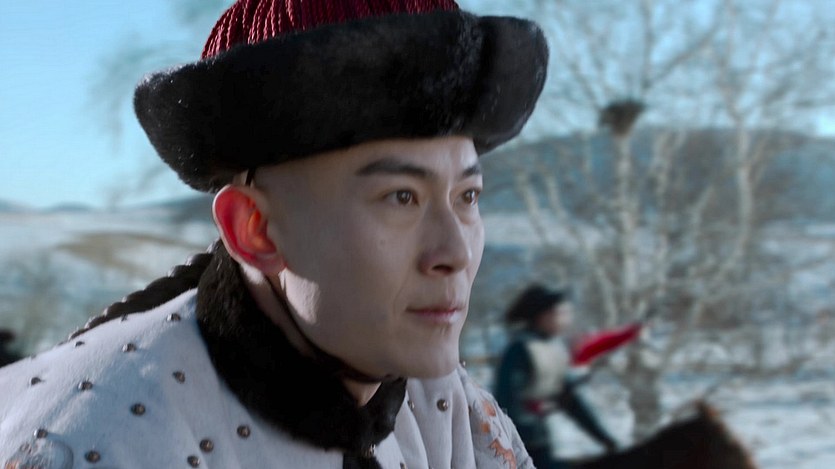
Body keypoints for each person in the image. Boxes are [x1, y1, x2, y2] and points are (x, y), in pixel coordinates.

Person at [0, 0, 547, 467]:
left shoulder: (451, 410)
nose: (455, 252)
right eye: (401, 197)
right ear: (254, 230)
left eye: (467, 197)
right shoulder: (97, 439)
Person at [494, 285, 627, 469]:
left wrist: (604, 439)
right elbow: (506, 402)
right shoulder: (520, 350)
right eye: (557, 313)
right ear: (541, 316)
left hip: (540, 443)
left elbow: (570, 401)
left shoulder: (551, 349)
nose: (563, 319)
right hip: (518, 448)